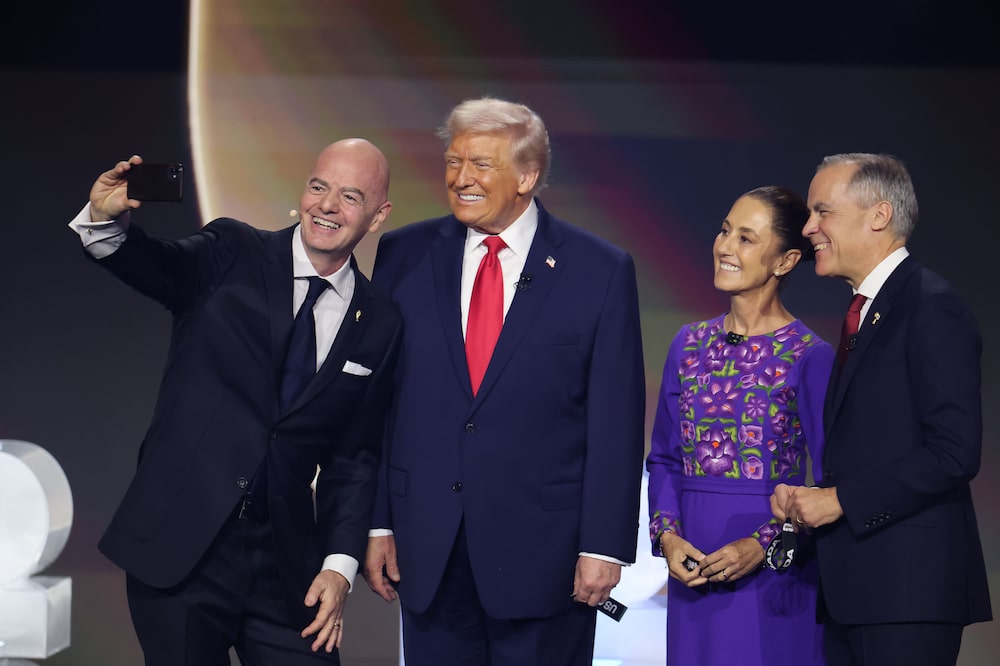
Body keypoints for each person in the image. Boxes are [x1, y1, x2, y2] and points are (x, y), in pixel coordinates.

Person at [68, 139, 402, 665]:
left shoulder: (380, 322)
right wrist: (107, 223)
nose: (327, 206)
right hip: (182, 549)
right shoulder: (232, 250)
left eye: (350, 196)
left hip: (287, 566)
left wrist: (339, 568)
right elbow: (156, 266)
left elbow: (353, 458)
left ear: (378, 216)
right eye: (319, 187)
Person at [361, 97, 645, 665]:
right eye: (453, 161)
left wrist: (603, 545)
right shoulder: (403, 254)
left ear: (527, 176)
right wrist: (378, 523)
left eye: (481, 165)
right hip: (430, 546)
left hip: (547, 556)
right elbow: (381, 404)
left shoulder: (599, 270)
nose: (461, 179)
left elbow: (615, 421)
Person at [771, 153, 992, 666]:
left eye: (822, 212)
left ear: (879, 215)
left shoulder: (931, 305)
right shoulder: (868, 311)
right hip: (860, 590)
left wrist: (840, 500)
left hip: (907, 593)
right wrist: (814, 498)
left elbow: (954, 452)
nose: (809, 229)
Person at [646, 186, 833, 665]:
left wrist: (761, 544)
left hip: (773, 575)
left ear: (786, 261)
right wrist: (667, 538)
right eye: (725, 230)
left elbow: (833, 485)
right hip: (693, 570)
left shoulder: (808, 356)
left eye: (746, 239)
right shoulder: (688, 344)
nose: (725, 247)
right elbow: (665, 456)